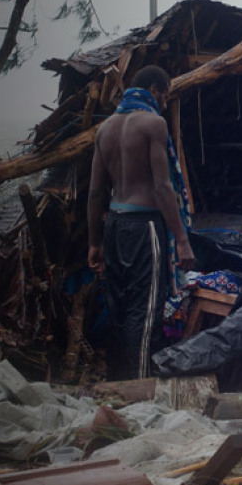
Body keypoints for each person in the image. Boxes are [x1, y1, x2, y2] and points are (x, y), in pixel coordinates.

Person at [87, 65, 195, 380]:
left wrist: (95, 242)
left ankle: (118, 380)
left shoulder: (105, 129)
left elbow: (95, 193)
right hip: (144, 226)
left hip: (114, 225)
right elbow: (163, 188)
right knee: (145, 309)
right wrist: (183, 239)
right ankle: (140, 387)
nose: (164, 105)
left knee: (120, 307)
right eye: (165, 97)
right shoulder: (153, 124)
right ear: (154, 90)